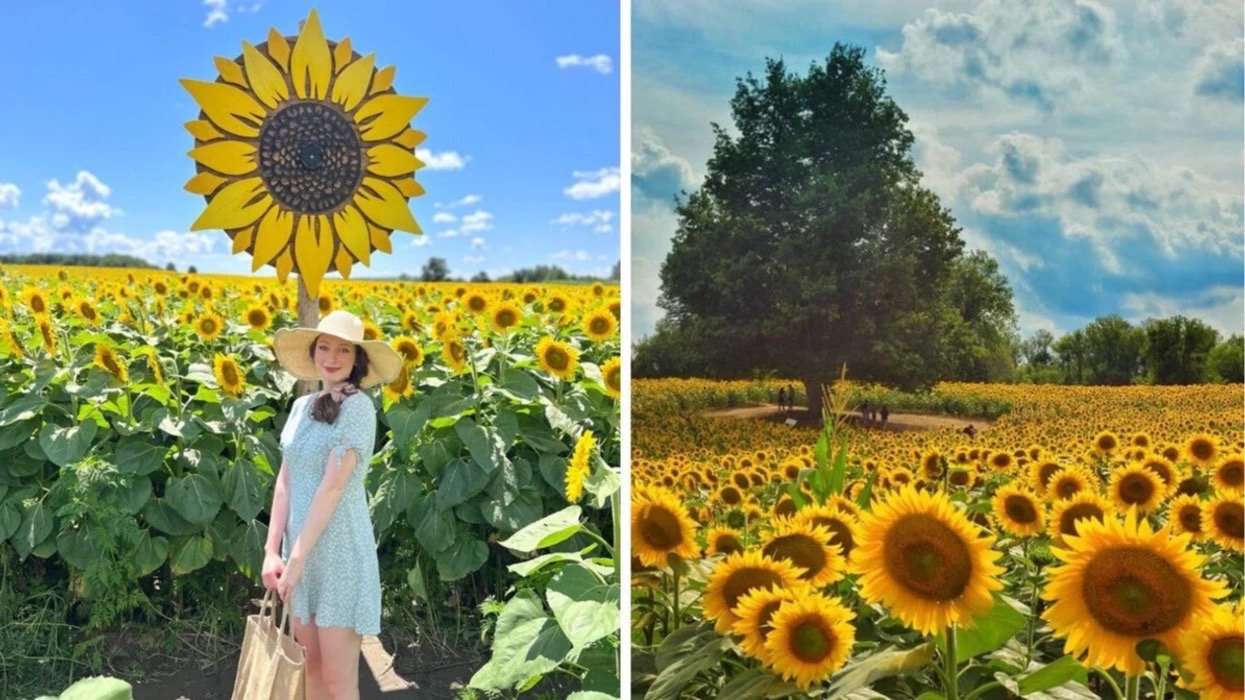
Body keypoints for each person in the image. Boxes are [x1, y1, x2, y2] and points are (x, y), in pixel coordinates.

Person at [262, 310, 402, 700]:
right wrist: (273, 551)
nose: (332, 357)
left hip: (338, 554)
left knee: (340, 681)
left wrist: (296, 560)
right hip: (299, 556)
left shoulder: (359, 408)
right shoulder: (300, 408)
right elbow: (285, 482)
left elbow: (332, 488)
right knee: (310, 669)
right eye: (324, 346)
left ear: (358, 359)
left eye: (344, 349)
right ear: (312, 351)